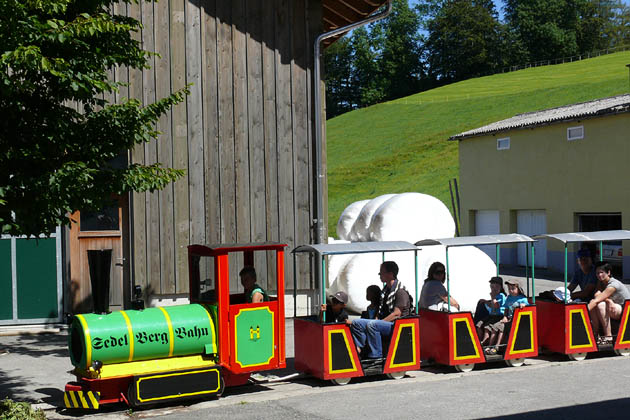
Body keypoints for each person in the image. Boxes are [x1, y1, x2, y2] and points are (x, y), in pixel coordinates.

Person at [350, 261, 412, 359]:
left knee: (372, 325)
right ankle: (360, 349)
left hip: (397, 326)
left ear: (391, 274)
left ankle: (376, 356)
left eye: (382, 272)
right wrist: (376, 319)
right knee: (356, 323)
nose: (379, 275)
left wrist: (378, 322)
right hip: (385, 323)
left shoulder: (400, 292)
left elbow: (397, 314)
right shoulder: (385, 291)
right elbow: (380, 310)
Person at [588, 262, 630, 344]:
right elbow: (597, 294)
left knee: (600, 305)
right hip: (614, 307)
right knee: (597, 304)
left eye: (602, 272)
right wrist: (608, 300)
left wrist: (584, 311)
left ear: (608, 273)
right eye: (597, 273)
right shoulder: (600, 282)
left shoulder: (613, 285)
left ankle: (608, 336)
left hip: (625, 310)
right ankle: (595, 334)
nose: (599, 275)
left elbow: (597, 299)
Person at [489, 279, 529, 350]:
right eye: (509, 289)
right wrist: (505, 317)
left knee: (502, 328)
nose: (510, 290)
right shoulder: (509, 298)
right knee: (495, 327)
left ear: (518, 289)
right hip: (508, 319)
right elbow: (506, 308)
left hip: (517, 320)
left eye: (513, 289)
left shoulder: (522, 298)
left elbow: (527, 306)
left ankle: (497, 346)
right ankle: (489, 346)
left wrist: (524, 305)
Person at [475, 277, 507, 353]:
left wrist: (492, 297)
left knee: (492, 328)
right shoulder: (495, 295)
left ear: (500, 287)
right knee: (479, 325)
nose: (494, 289)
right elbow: (491, 304)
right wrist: (486, 302)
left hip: (499, 316)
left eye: (496, 287)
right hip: (492, 315)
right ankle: (482, 341)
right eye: (492, 287)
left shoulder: (501, 295)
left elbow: (496, 305)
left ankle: (489, 345)